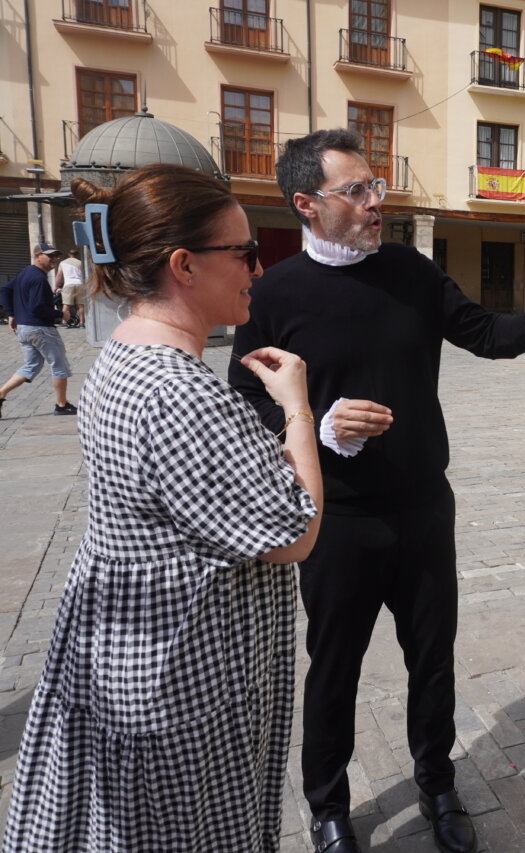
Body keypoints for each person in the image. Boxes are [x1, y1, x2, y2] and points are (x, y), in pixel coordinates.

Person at [227, 128, 525, 853]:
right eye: (358, 191)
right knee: (334, 667)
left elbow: (491, 335)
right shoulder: (273, 294)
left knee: (432, 661)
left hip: (424, 510)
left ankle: (437, 783)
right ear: (307, 204)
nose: (378, 201)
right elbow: (243, 408)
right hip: (335, 519)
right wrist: (320, 425)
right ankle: (328, 805)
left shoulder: (409, 268)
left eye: (376, 186)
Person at [1, 164, 324, 852]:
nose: (257, 270)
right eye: (243, 252)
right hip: (180, 676)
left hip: (133, 651)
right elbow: (294, 530)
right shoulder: (180, 392)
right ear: (184, 264)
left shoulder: (121, 356)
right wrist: (298, 407)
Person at [0, 241, 77, 418]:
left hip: (24, 329)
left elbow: (4, 290)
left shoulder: (25, 272)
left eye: (56, 255)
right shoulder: (38, 279)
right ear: (37, 256)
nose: (55, 259)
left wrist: (11, 314)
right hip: (40, 329)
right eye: (50, 256)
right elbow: (38, 308)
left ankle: (1, 393)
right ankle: (61, 404)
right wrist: (60, 315)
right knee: (59, 366)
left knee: (31, 365)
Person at [56, 247, 85, 327]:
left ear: (69, 255)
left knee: (66, 305)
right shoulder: (81, 263)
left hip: (68, 284)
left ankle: (64, 322)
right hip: (80, 284)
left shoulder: (62, 263)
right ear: (77, 255)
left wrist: (56, 286)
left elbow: (59, 275)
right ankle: (82, 323)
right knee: (81, 305)